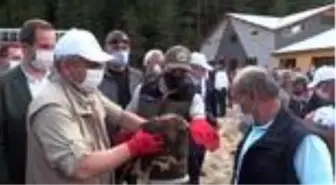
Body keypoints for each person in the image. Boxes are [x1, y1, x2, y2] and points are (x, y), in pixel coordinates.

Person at [25, 28, 164, 185]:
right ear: (67, 67)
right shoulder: (51, 108)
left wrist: (158, 130)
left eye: (100, 65)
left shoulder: (87, 92)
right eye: (92, 65)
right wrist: (133, 146)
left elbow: (121, 116)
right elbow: (79, 166)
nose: (99, 71)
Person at [126, 45, 219, 185]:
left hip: (176, 173)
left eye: (183, 71)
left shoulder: (193, 96)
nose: (177, 74)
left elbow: (198, 116)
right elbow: (128, 116)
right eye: (173, 69)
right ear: (164, 66)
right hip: (143, 169)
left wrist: (201, 126)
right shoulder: (144, 90)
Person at [231, 66, 333, 185]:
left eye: (238, 99)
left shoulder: (305, 141)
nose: (236, 106)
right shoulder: (254, 130)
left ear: (254, 95)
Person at [0, 19, 55, 185]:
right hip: (21, 175)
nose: (50, 52)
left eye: (53, 47)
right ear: (25, 48)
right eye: (45, 47)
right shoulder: (5, 86)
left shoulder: (60, 81)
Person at [100, 30, 143, 185]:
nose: (120, 47)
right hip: (107, 141)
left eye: (125, 44)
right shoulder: (98, 77)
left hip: (134, 139)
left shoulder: (138, 76)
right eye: (115, 44)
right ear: (105, 48)